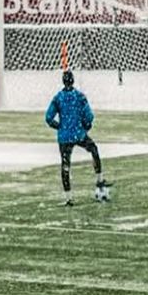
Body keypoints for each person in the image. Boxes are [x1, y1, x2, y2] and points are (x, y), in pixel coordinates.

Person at [45, 70, 108, 206]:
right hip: (78, 134)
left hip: (64, 137)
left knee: (65, 165)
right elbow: (89, 116)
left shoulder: (58, 98)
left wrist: (60, 127)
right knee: (93, 149)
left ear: (63, 81)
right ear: (73, 81)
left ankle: (69, 197)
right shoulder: (79, 97)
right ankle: (99, 179)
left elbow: (48, 118)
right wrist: (86, 126)